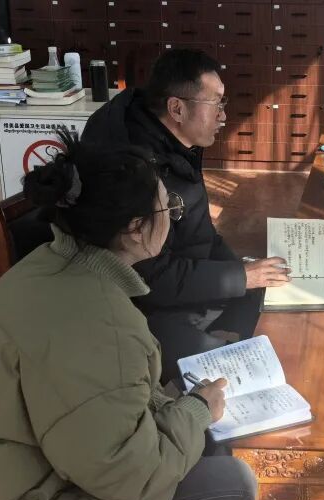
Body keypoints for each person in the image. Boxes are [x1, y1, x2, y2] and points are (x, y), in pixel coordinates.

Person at [0, 131, 256, 500]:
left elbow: (96, 414)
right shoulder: (97, 321)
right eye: (169, 209)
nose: (172, 218)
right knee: (231, 489)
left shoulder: (52, 266)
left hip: (6, 495)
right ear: (135, 229)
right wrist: (194, 411)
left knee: (202, 447)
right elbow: (128, 474)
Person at [82, 48, 289, 378]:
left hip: (180, 284)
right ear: (176, 108)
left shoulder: (171, 139)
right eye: (216, 104)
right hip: (138, 308)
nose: (223, 116)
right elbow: (147, 277)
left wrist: (243, 273)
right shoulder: (131, 166)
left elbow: (199, 229)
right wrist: (241, 276)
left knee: (265, 300)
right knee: (238, 371)